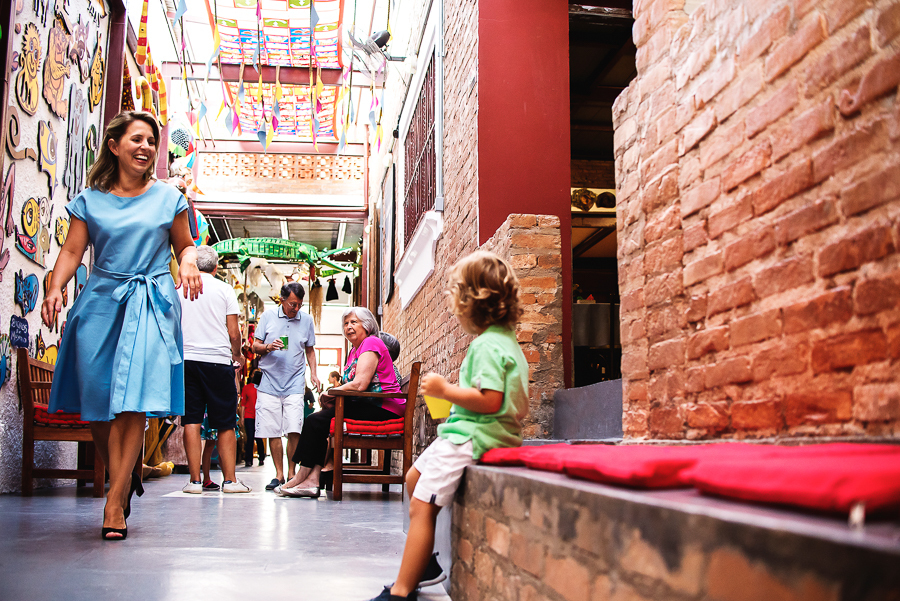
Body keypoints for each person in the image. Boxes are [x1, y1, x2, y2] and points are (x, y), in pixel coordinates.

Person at [42, 111, 202, 540]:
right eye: (137, 139)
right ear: (114, 146)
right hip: (100, 300)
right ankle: (124, 470)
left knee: (133, 400)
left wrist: (188, 264)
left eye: (152, 141)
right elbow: (73, 252)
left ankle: (115, 503)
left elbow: (186, 246)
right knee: (95, 398)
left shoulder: (170, 198)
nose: (146, 147)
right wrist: (55, 288)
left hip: (150, 302)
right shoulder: (90, 200)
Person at [366, 251, 529, 601]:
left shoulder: (487, 346)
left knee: (423, 504)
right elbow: (503, 404)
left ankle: (401, 590)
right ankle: (424, 562)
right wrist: (449, 400)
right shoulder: (506, 343)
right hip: (467, 431)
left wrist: (445, 390)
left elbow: (490, 401)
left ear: (472, 304)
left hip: (474, 437)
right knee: (413, 479)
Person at [278, 307, 403, 498]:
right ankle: (311, 480)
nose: (349, 327)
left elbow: (360, 384)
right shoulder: (355, 350)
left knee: (315, 421)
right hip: (369, 403)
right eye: (346, 324)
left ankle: (303, 476)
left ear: (367, 325)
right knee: (320, 421)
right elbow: (352, 385)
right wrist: (333, 396)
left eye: (354, 322)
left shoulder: (371, 343)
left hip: (385, 406)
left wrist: (331, 392)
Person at [180, 245, 250, 494]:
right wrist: (238, 355)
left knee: (192, 419)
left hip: (187, 360)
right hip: (218, 361)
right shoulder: (224, 289)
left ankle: (195, 481)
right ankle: (230, 481)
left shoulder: (179, 287)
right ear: (216, 267)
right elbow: (234, 332)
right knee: (225, 422)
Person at [250, 282, 321, 491]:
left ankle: (292, 473)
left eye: (299, 304)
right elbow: (255, 346)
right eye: (292, 304)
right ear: (282, 300)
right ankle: (279, 475)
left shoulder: (306, 320)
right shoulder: (268, 317)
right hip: (270, 381)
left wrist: (314, 373)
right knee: (272, 429)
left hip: (295, 382)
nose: (296, 309)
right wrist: (268, 347)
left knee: (294, 428)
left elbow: (310, 350)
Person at [240, 371, 266, 467]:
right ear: (251, 375)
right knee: (250, 438)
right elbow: (243, 404)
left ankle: (261, 458)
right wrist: (242, 418)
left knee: (259, 438)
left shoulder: (262, 387)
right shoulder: (247, 388)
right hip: (248, 416)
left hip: (259, 416)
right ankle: (248, 460)